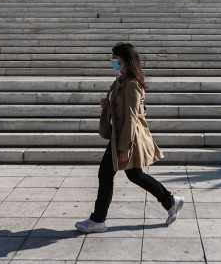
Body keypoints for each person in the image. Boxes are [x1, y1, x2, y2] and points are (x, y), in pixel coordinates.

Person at [75, 43, 184, 233]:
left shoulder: (132, 84)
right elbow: (121, 105)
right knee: (135, 175)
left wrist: (125, 147)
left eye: (115, 57)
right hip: (121, 136)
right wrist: (107, 102)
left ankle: (97, 220)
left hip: (126, 138)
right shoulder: (122, 79)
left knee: (106, 174)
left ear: (124, 59)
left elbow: (132, 117)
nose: (112, 61)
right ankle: (170, 201)